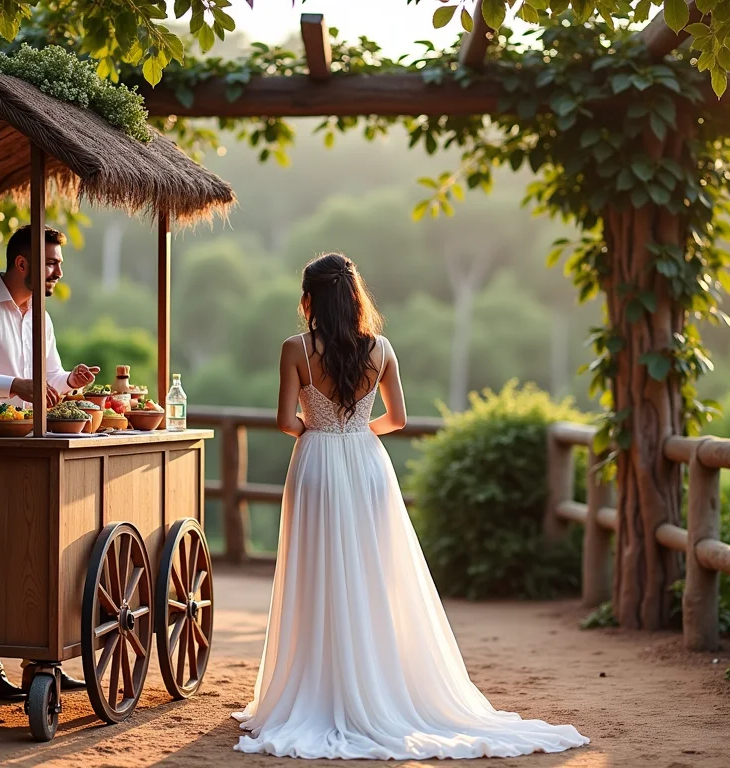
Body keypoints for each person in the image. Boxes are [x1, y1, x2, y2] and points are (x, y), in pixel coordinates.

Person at [232, 253, 589, 759]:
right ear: (355, 297)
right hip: (368, 465)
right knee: (373, 573)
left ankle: (319, 685)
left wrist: (320, 430)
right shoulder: (380, 349)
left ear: (308, 299)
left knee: (317, 570)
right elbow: (397, 418)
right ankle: (377, 684)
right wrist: (356, 431)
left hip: (315, 465)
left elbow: (286, 422)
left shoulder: (294, 349)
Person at [0, 224, 100, 700]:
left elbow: (48, 377)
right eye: (51, 264)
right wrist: (13, 385)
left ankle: (34, 665)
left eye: (60, 265)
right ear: (23, 263)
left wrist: (72, 379)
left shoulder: (42, 317)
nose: (57, 272)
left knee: (33, 552)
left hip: (30, 445)